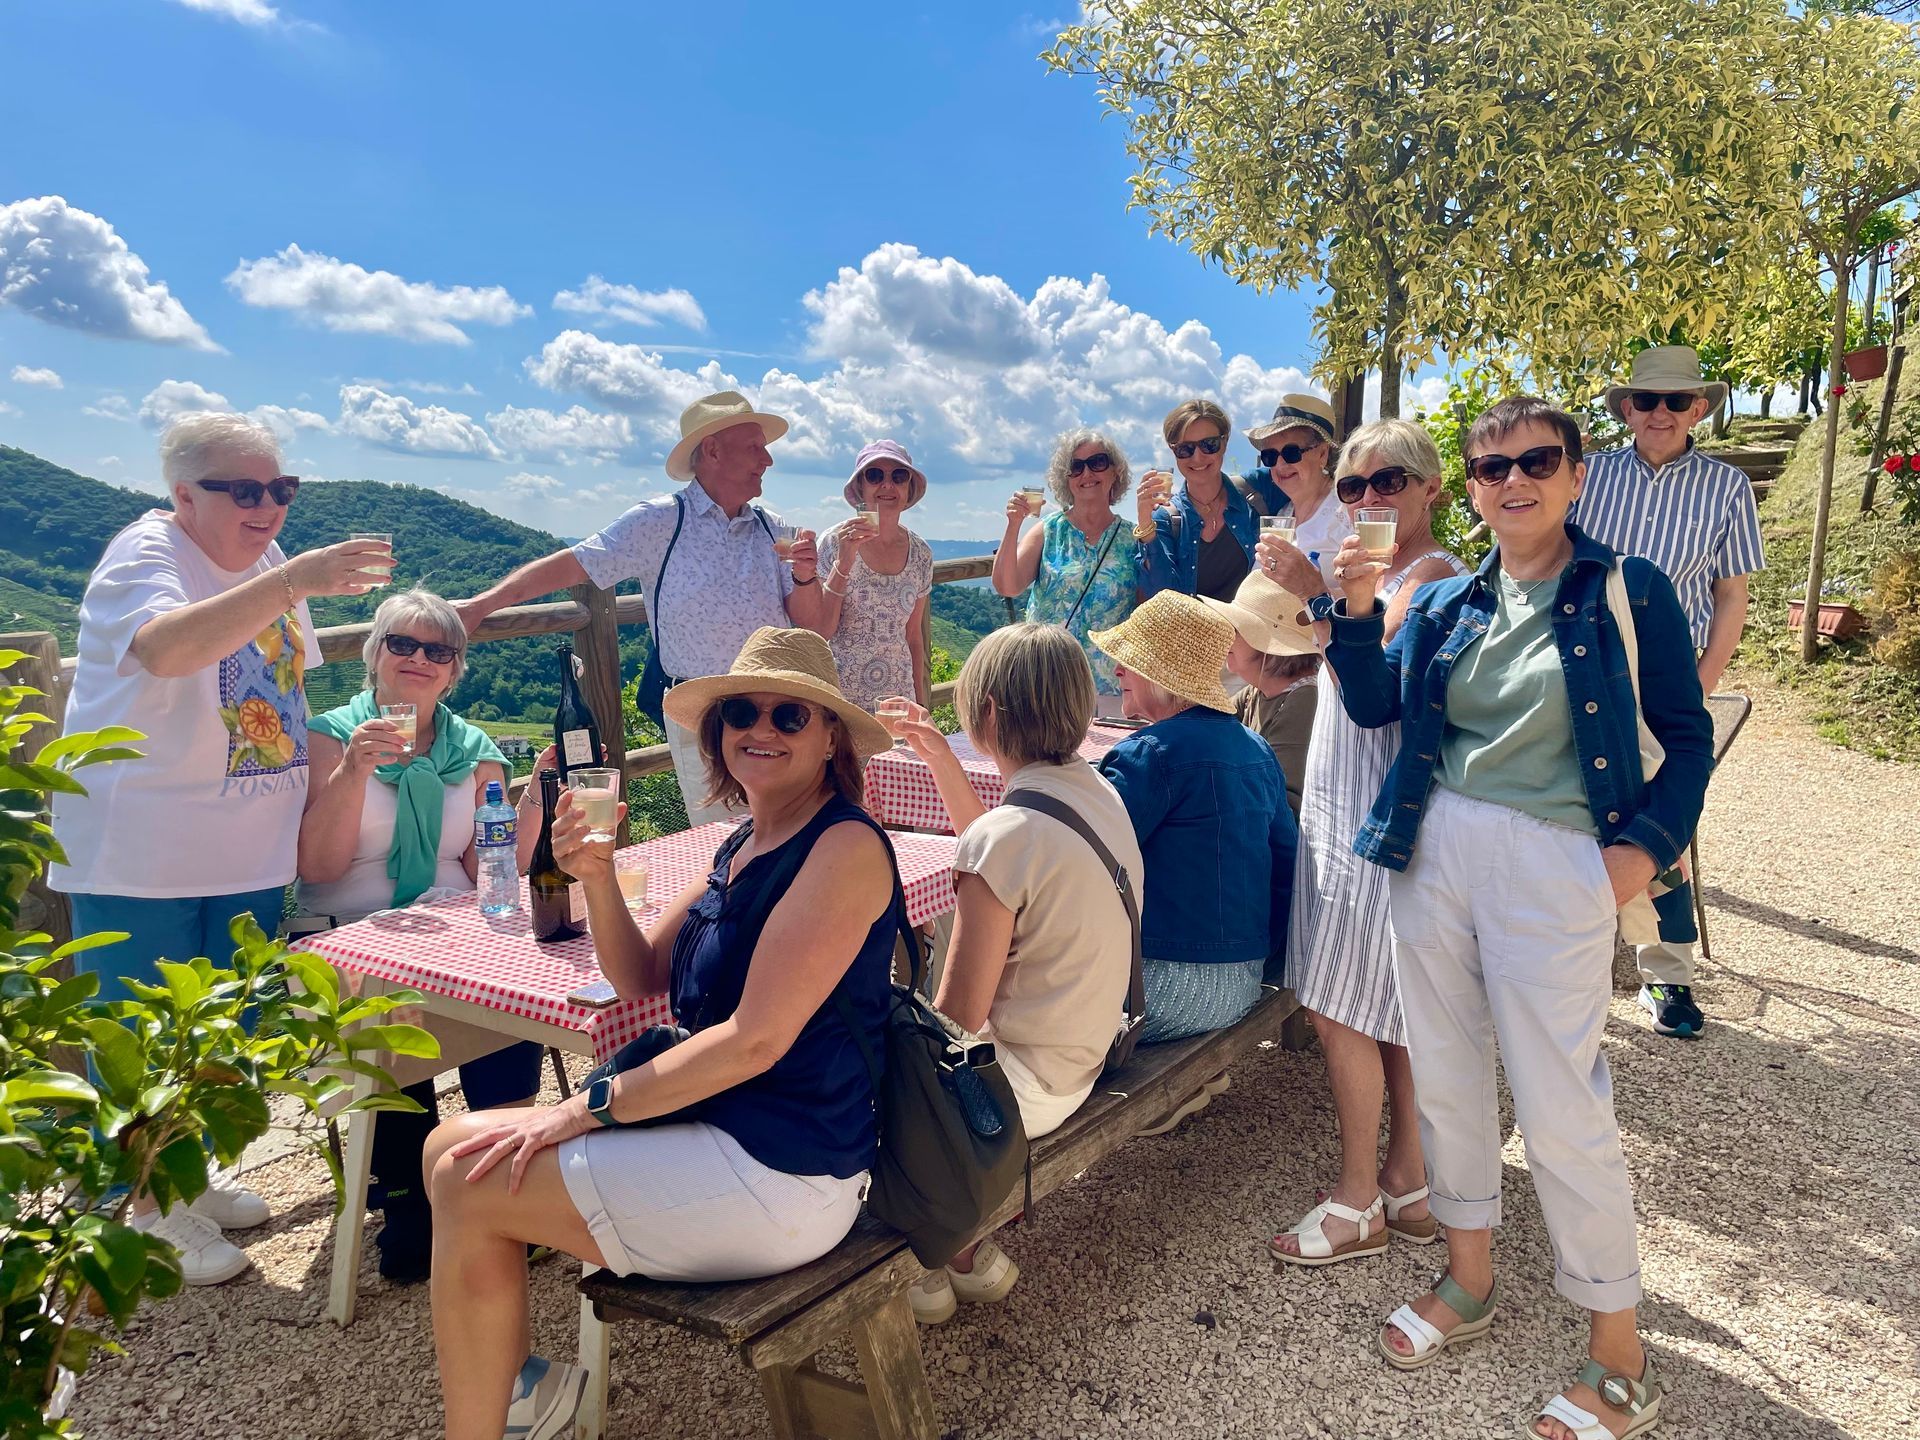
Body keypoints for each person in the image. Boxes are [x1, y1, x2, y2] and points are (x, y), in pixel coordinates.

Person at [1322, 396, 1711, 1440]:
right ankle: (1468, 1283)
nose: (1512, 481)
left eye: (1537, 461)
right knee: (1448, 1080)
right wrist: (1356, 614)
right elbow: (1374, 709)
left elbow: (1686, 732)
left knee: (1562, 1107)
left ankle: (1621, 1359)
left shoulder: (1630, 590)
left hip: (1555, 863)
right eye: (1492, 467)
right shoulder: (1452, 604)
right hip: (1434, 849)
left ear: (1578, 476)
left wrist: (1629, 861)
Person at [421, 627, 896, 1440]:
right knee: (447, 1150)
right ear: (717, 734)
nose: (761, 729)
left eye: (791, 717)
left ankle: (493, 1415)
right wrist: (597, 878)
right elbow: (641, 975)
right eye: (742, 711)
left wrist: (582, 1108)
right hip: (728, 1129)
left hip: (787, 1169)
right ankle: (515, 1391)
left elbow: (755, 1041)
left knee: (467, 1180)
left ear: (830, 741)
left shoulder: (844, 847)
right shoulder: (745, 842)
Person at [49, 411, 383, 1285]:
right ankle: (141, 1216)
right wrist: (295, 579)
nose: (268, 505)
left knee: (219, 1033)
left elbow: (291, 697)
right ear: (184, 494)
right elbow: (163, 649)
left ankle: (184, 1185)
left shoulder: (270, 565)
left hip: (243, 849)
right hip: (145, 853)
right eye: (246, 489)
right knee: (136, 1038)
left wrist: (350, 777)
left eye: (281, 488)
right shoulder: (146, 555)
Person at [883, 624, 1142, 1322]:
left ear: (989, 714)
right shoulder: (1093, 791)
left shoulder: (1006, 839)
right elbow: (1008, 845)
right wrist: (940, 759)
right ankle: (968, 1255)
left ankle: (932, 1260)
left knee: (865, 1066)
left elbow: (954, 1023)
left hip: (1019, 1093)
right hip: (1083, 1057)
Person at [1256, 419, 1467, 1272]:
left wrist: (1317, 591)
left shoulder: (1432, 576)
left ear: (1430, 490)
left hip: (1373, 806)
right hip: (1357, 792)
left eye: (1389, 482)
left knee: (1340, 1005)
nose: (1369, 498)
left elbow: (1377, 684)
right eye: (1353, 486)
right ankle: (1409, 1182)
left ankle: (1356, 1200)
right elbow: (1342, 666)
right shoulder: (1380, 571)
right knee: (1389, 1006)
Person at [294, 588, 541, 1284]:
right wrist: (354, 771)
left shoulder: (475, 750)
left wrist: (532, 801)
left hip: (453, 928)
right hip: (354, 930)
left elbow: (491, 869)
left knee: (514, 982)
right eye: (402, 643)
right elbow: (316, 867)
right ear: (375, 656)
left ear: (455, 670)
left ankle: (503, 1167)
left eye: (438, 650)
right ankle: (405, 1191)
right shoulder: (330, 736)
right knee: (409, 1259)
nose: (419, 659)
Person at [449, 391, 829, 825]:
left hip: (780, 710)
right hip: (703, 712)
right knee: (723, 836)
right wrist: (484, 604)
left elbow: (812, 626)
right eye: (755, 447)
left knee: (791, 826)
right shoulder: (660, 521)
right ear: (713, 449)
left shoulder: (772, 526)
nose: (768, 461)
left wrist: (804, 575)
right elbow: (575, 564)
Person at [1576, 345, 1765, 1040]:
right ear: (1627, 407)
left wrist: (1698, 688)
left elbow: (1730, 596)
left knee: (1665, 815)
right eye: (1647, 399)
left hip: (1668, 673)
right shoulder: (1586, 476)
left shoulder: (1726, 488)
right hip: (1582, 662)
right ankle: (1568, 956)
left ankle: (1668, 975)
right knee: (1568, 802)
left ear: (1701, 408)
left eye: (1676, 401)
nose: (1660, 412)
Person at [1092, 594, 1295, 1128]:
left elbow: (1083, 868)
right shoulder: (1254, 746)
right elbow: (1285, 862)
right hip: (1244, 978)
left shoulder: (1149, 754)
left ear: (1162, 675)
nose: (1117, 670)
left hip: (1164, 994)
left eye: (1128, 659)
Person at [992, 427, 1140, 715]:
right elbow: (1008, 586)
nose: (1087, 474)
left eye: (1097, 463)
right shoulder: (1049, 530)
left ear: (1115, 472)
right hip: (1047, 680)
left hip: (1112, 683)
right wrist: (1013, 525)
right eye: (1076, 467)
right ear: (1066, 478)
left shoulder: (1131, 538)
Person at [816, 439, 934, 711]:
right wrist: (844, 562)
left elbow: (913, 637)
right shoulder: (833, 543)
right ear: (860, 486)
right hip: (841, 699)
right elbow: (822, 630)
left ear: (909, 488)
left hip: (897, 702)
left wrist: (920, 704)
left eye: (899, 476)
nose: (887, 485)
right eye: (874, 475)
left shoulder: (921, 553)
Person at [1200, 570, 1321, 822]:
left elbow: (1285, 801)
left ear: (1268, 644)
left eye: (1236, 627)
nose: (1225, 634)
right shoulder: (1259, 689)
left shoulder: (1303, 699)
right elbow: (1204, 724)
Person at [1134, 399, 1259, 602]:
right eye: (1185, 449)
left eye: (1209, 445)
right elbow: (1162, 596)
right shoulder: (1165, 519)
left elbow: (1296, 470)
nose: (1198, 457)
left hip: (1248, 632)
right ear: (1173, 451)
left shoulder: (1254, 494)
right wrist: (1146, 526)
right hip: (1190, 633)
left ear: (1225, 442)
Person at [1239, 393, 1350, 589]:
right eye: (1270, 456)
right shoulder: (1283, 515)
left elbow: (1364, 599)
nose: (1280, 463)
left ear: (1322, 454)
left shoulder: (1345, 514)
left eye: (1291, 453)